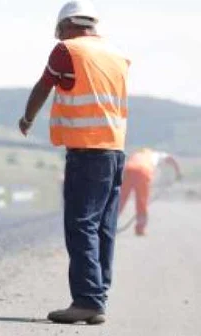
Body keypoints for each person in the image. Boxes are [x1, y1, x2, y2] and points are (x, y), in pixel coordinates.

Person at [17, 0, 130, 325]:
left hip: (87, 151)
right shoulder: (117, 55)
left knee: (81, 224)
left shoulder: (68, 50)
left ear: (65, 26)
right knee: (103, 228)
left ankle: (87, 300)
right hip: (114, 150)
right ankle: (98, 297)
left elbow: (43, 86)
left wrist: (27, 117)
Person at [118, 148, 182, 236]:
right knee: (142, 202)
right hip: (143, 171)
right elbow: (171, 158)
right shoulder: (156, 155)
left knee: (120, 200)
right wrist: (178, 172)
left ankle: (108, 225)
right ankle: (140, 229)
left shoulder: (137, 154)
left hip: (128, 169)